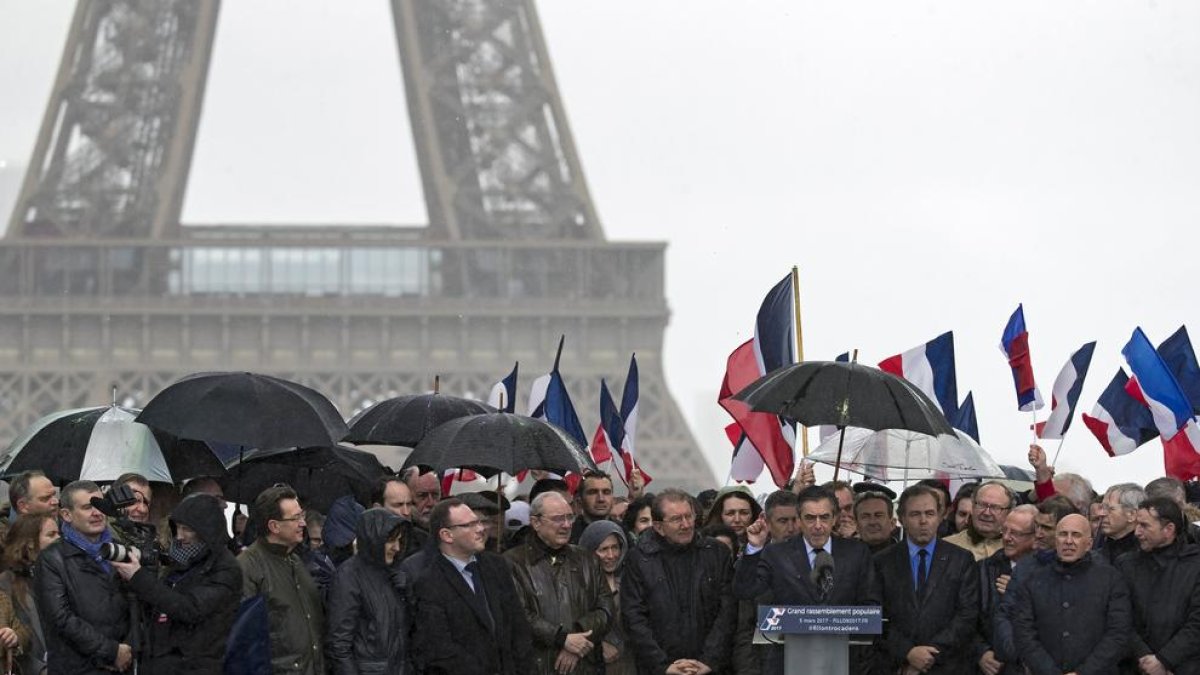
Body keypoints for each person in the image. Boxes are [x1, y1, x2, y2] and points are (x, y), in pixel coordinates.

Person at [735, 486, 875, 674]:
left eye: (824, 517)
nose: (818, 525)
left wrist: (833, 622)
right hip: (788, 661)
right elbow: (745, 590)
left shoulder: (856, 552)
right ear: (799, 520)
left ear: (834, 518)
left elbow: (871, 604)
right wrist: (753, 549)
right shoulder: (776, 554)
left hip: (843, 661)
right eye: (810, 518)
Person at [111, 493, 242, 675]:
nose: (179, 536)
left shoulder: (225, 568)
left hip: (196, 664)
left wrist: (139, 578)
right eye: (177, 528)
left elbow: (190, 609)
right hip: (162, 661)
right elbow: (155, 607)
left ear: (206, 530)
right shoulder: (183, 560)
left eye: (187, 529)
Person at [408, 498, 534, 674]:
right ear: (447, 535)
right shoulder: (429, 583)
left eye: (480, 522)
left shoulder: (496, 566)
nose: (481, 529)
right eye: (470, 525)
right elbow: (440, 649)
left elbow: (518, 628)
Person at [622, 488, 735, 675]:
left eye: (689, 517)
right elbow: (634, 617)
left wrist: (709, 660)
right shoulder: (639, 559)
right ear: (658, 527)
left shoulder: (716, 553)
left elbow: (727, 611)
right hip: (660, 668)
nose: (686, 524)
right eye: (676, 519)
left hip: (709, 667)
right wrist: (663, 665)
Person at [871, 484, 979, 674]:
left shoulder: (962, 560)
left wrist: (928, 656)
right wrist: (908, 652)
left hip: (948, 666)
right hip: (897, 666)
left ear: (940, 516)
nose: (923, 521)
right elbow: (875, 617)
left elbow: (967, 616)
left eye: (929, 514)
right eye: (915, 514)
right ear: (902, 519)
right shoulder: (881, 562)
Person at [505, 492, 612, 674]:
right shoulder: (512, 562)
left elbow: (605, 608)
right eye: (558, 519)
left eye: (570, 517)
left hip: (585, 664)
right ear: (536, 522)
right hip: (536, 665)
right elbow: (518, 614)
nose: (567, 525)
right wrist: (561, 639)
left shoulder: (587, 559)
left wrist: (577, 638)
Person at [34, 480, 133, 674]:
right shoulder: (51, 559)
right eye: (88, 507)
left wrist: (128, 649)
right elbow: (61, 618)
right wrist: (112, 652)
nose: (97, 513)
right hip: (77, 668)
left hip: (125, 665)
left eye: (100, 505)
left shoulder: (121, 550)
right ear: (66, 515)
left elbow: (139, 606)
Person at [1011, 514, 1130, 674]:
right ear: (1055, 540)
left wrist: (1084, 672)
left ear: (1089, 543)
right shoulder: (1033, 581)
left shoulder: (1111, 579)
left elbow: (1118, 632)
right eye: (1062, 534)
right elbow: (1024, 633)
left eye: (1076, 535)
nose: (1068, 541)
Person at [238, 485, 325, 675]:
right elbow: (244, 643)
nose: (303, 523)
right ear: (274, 526)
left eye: (302, 515)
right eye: (295, 518)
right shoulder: (248, 567)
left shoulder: (295, 560)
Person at [1116, 497, 1200, 675]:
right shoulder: (1126, 565)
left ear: (1169, 529)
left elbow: (1197, 623)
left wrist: (1165, 660)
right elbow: (1120, 617)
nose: (1137, 532)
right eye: (1137, 525)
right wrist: (1145, 658)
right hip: (1136, 666)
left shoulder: (1195, 564)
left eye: (1144, 526)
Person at [326, 508, 412, 674]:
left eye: (400, 540)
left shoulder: (393, 573)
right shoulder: (349, 576)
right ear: (375, 540)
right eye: (391, 541)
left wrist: (407, 593)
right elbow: (339, 644)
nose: (397, 547)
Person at [974, 504, 1037, 675]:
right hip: (991, 666)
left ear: (1035, 537)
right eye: (1005, 530)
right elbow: (967, 616)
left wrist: (1019, 594)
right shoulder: (983, 569)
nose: (1007, 538)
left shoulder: (1047, 572)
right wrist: (980, 652)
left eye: (1015, 533)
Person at [0, 513, 58, 674]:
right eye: (51, 535)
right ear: (30, 544)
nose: (59, 539)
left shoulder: (62, 574)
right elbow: (20, 635)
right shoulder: (7, 584)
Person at [579, 520, 636, 675]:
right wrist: (599, 644)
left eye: (615, 547)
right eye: (603, 549)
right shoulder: (579, 584)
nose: (611, 555)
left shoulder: (631, 578)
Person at [944, 481, 1013, 562]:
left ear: (1009, 513)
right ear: (973, 507)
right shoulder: (946, 546)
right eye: (981, 505)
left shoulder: (1018, 550)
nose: (987, 513)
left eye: (995, 507)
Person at [1096, 483, 1145, 564]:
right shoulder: (1096, 556)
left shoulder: (1145, 556)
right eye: (1102, 508)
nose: (1101, 513)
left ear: (1132, 515)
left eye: (1110, 508)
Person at [704, 485, 760, 551]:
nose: (737, 519)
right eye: (730, 513)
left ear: (753, 514)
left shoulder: (767, 548)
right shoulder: (703, 548)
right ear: (719, 515)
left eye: (744, 513)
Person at [571, 471, 615, 543]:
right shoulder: (569, 535)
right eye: (593, 492)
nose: (601, 499)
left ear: (613, 498)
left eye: (606, 492)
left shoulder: (624, 532)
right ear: (580, 501)